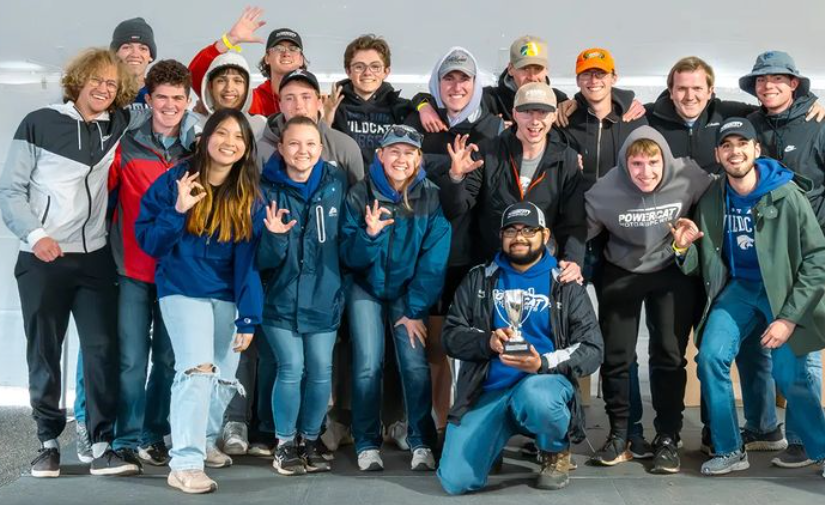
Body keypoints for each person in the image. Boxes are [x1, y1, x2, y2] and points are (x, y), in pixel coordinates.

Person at [0, 48, 145, 477]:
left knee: (103, 350)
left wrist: (226, 44)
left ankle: (101, 444)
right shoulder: (40, 122)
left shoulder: (117, 123)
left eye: (112, 84)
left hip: (94, 257)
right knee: (45, 351)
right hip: (43, 257)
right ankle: (47, 443)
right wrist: (36, 235)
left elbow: (168, 97)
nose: (103, 89)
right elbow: (11, 191)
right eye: (96, 80)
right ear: (78, 81)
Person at [671, 117, 825, 478]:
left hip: (781, 293)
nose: (734, 151)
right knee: (710, 356)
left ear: (756, 150)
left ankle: (821, 449)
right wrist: (683, 248)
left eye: (742, 144)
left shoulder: (786, 195)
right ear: (718, 154)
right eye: (727, 145)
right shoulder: (713, 195)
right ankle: (728, 449)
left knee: (790, 376)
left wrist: (788, 318)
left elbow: (818, 257)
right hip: (739, 289)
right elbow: (703, 262)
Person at [135, 108, 265, 494]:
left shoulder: (249, 193)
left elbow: (249, 262)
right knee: (197, 370)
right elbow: (150, 242)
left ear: (246, 147)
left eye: (238, 137)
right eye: (221, 133)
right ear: (205, 138)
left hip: (225, 293)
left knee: (225, 372)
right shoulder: (176, 180)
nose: (229, 142)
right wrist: (178, 210)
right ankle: (185, 462)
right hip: (182, 287)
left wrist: (249, 315)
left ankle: (205, 439)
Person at [437, 202, 603, 494]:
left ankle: (553, 451)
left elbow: (591, 348)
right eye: (511, 230)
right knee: (455, 481)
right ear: (501, 236)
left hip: (541, 385)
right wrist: (486, 341)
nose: (519, 237)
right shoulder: (481, 278)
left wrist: (543, 363)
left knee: (537, 396)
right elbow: (451, 335)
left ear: (545, 234)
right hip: (488, 391)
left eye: (529, 230)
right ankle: (493, 442)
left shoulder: (564, 282)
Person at [585, 126, 714, 473]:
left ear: (665, 161)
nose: (646, 172)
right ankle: (621, 435)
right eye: (637, 163)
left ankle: (668, 437)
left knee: (669, 355)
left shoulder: (688, 174)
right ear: (625, 164)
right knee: (617, 356)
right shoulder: (603, 192)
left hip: (671, 266)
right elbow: (574, 233)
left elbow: (723, 193)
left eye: (653, 162)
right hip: (621, 269)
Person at [105, 60, 200, 467]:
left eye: (177, 97)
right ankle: (123, 439)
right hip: (129, 268)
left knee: (166, 358)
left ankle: (152, 433)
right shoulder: (125, 144)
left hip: (175, 274)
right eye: (161, 96)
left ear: (188, 100)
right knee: (129, 358)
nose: (169, 105)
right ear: (148, 98)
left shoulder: (196, 153)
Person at [556, 46, 650, 456]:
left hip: (617, 245)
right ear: (577, 81)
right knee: (561, 338)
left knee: (619, 343)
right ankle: (561, 429)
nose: (593, 81)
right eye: (586, 76)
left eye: (601, 75)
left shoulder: (634, 119)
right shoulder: (564, 121)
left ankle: (627, 432)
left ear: (614, 78)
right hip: (573, 243)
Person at [340, 125, 451, 472]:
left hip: (408, 293)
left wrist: (416, 309)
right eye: (394, 151)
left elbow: (434, 258)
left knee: (415, 365)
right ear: (381, 155)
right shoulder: (360, 194)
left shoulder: (430, 196)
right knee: (367, 365)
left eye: (409, 152)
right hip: (365, 288)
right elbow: (348, 256)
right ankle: (367, 442)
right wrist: (370, 235)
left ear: (418, 158)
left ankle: (421, 440)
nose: (401, 159)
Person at [740, 51, 825, 467]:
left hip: (806, 256)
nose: (767, 86)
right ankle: (770, 431)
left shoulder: (818, 122)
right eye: (760, 80)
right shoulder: (751, 124)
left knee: (802, 350)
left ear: (794, 84)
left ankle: (806, 442)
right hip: (758, 257)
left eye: (777, 79)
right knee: (764, 346)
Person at [257, 116, 347, 475]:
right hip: (279, 299)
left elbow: (345, 241)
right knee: (291, 368)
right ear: (280, 148)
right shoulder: (265, 188)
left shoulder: (336, 183)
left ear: (321, 149)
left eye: (310, 144)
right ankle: (284, 443)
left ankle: (310, 439)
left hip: (324, 298)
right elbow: (261, 260)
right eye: (294, 143)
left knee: (321, 372)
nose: (302, 151)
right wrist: (275, 237)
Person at [442, 82, 585, 275]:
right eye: (527, 112)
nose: (535, 121)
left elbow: (574, 220)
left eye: (542, 113)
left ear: (553, 116)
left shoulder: (567, 159)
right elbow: (455, 208)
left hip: (541, 265)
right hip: (493, 264)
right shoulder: (487, 152)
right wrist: (456, 177)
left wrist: (573, 260)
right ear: (515, 113)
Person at [188, 6, 306, 117]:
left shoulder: (311, 100)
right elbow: (194, 74)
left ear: (301, 59)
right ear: (267, 58)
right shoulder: (250, 100)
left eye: (293, 49)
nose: (286, 53)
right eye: (278, 48)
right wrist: (230, 39)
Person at [324, 34, 417, 165]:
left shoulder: (400, 108)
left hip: (386, 183)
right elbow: (317, 148)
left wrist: (424, 105)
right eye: (359, 67)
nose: (367, 72)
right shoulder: (332, 106)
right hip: (345, 182)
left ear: (386, 71)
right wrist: (325, 120)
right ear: (348, 71)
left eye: (375, 66)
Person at [110, 17, 156, 107]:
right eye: (127, 47)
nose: (135, 54)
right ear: (115, 54)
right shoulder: (104, 93)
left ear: (150, 56)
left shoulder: (160, 94)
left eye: (143, 48)